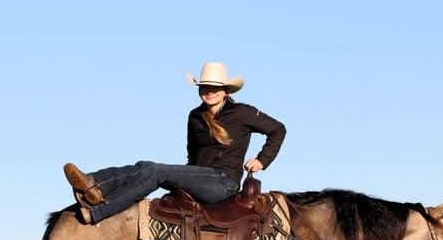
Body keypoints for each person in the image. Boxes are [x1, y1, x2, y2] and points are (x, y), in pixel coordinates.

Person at [63, 62, 286, 224]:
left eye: (215, 87)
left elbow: (278, 130)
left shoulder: (242, 112)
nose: (209, 91)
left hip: (223, 182)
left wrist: (261, 160)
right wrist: (185, 180)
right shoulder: (195, 116)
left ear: (226, 90)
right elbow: (192, 156)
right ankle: (92, 184)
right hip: (201, 177)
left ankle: (99, 208)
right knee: (145, 166)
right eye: (204, 86)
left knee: (155, 171)